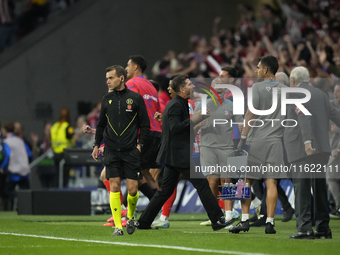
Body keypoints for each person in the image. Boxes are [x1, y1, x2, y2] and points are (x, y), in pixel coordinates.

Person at [130, 75, 233, 234]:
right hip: (179, 154)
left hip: (174, 154)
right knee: (202, 184)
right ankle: (217, 219)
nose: (193, 87)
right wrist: (195, 118)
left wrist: (197, 121)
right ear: (182, 89)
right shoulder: (177, 105)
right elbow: (175, 128)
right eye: (190, 84)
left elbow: (178, 129)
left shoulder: (179, 104)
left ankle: (143, 222)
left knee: (164, 192)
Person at [231, 55, 287, 234]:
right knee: (271, 183)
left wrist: (242, 139)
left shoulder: (257, 87)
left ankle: (245, 220)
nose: (255, 70)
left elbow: (250, 114)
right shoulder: (285, 89)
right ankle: (270, 222)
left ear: (265, 70)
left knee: (244, 181)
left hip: (256, 141)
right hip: (276, 141)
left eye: (258, 67)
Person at [92, 65, 150, 236]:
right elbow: (101, 124)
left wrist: (140, 145)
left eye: (111, 78)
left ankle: (130, 216)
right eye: (107, 78)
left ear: (122, 78)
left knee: (132, 190)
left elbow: (145, 125)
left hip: (131, 151)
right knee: (115, 186)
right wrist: (96, 145)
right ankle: (118, 226)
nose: (107, 81)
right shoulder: (106, 99)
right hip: (111, 150)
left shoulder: (136, 98)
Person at [285, 66, 340, 239]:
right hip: (322, 150)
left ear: (293, 81)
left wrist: (307, 141)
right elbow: (336, 115)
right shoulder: (322, 95)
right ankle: (323, 229)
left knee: (301, 188)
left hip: (303, 149)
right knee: (320, 188)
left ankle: (305, 228)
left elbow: (303, 116)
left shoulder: (295, 93)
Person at [125, 55, 161, 194]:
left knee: (132, 170)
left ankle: (131, 210)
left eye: (128, 65)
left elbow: (131, 108)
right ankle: (156, 207)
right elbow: (157, 111)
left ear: (135, 67)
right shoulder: (151, 86)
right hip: (156, 132)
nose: (126, 68)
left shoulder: (131, 84)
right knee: (145, 171)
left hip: (141, 133)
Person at [0, 121, 32, 210]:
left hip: (14, 172)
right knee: (27, 192)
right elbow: (30, 154)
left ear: (4, 130)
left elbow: (8, 155)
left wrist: (2, 167)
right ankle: (27, 208)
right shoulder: (20, 140)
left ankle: (19, 198)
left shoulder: (6, 142)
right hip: (25, 170)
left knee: (7, 190)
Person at [50, 108, 75, 187]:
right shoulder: (68, 126)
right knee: (65, 174)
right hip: (64, 153)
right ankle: (64, 189)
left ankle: (57, 188)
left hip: (55, 153)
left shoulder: (54, 126)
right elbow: (71, 137)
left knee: (57, 173)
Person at [328, 83, 340, 218]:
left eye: (338, 91)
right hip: (331, 149)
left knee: (330, 178)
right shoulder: (333, 107)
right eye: (335, 91)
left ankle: (338, 207)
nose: (336, 93)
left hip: (337, 151)